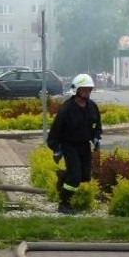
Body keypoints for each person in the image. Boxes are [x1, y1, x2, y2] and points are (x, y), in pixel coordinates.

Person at [46, 73, 103, 215]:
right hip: (69, 145)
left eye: (89, 89)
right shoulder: (67, 109)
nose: (87, 92)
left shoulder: (92, 107)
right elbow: (55, 131)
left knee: (85, 176)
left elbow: (97, 126)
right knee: (75, 177)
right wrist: (56, 148)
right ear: (76, 90)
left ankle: (63, 176)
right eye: (84, 89)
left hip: (84, 145)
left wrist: (96, 137)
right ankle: (64, 203)